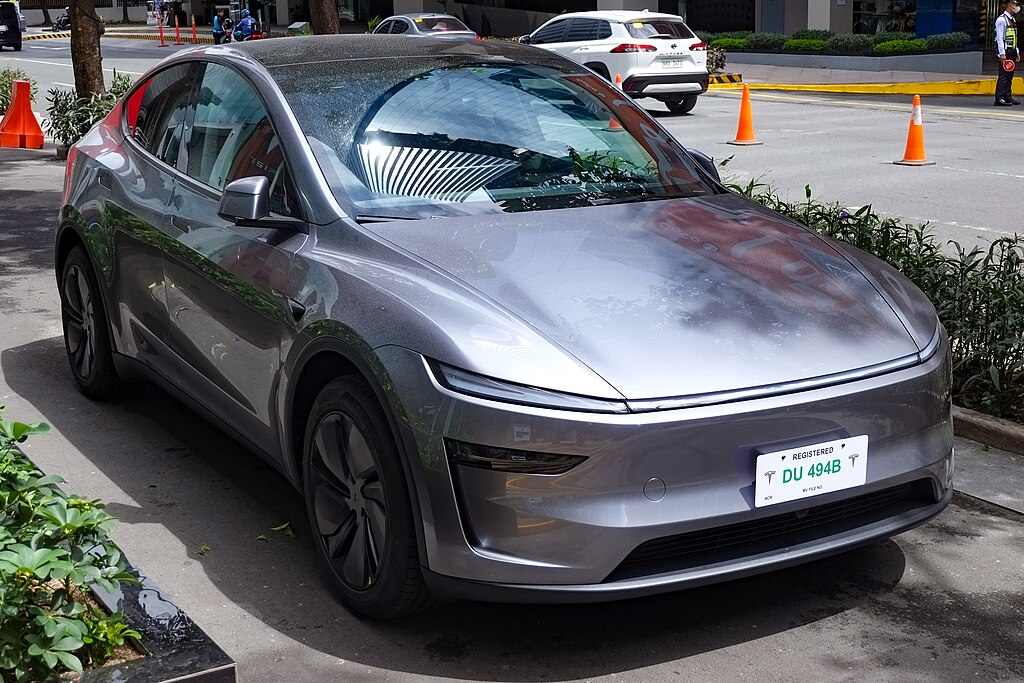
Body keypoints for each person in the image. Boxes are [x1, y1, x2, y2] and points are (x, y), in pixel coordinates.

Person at [995, 0, 1021, 106]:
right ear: (1010, 6)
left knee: (1010, 75)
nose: (1017, 7)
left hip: (1012, 51)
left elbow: (1014, 37)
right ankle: (999, 98)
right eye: (1015, 5)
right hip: (1006, 52)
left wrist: (1017, 51)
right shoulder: (1001, 20)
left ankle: (1007, 96)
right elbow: (999, 38)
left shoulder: (1012, 19)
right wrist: (1002, 54)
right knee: (1004, 76)